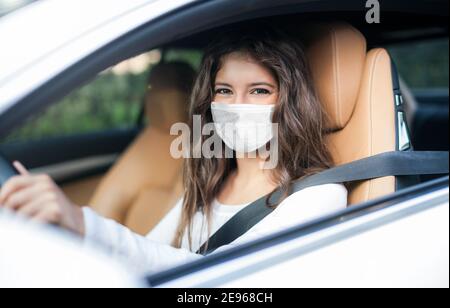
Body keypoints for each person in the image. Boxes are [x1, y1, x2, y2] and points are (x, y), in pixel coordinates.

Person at [0, 26, 347, 274]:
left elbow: (215, 281)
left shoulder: (318, 196)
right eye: (224, 91)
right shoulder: (209, 181)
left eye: (258, 91)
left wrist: (82, 223)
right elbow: (147, 252)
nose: (237, 105)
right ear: (209, 102)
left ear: (289, 102)